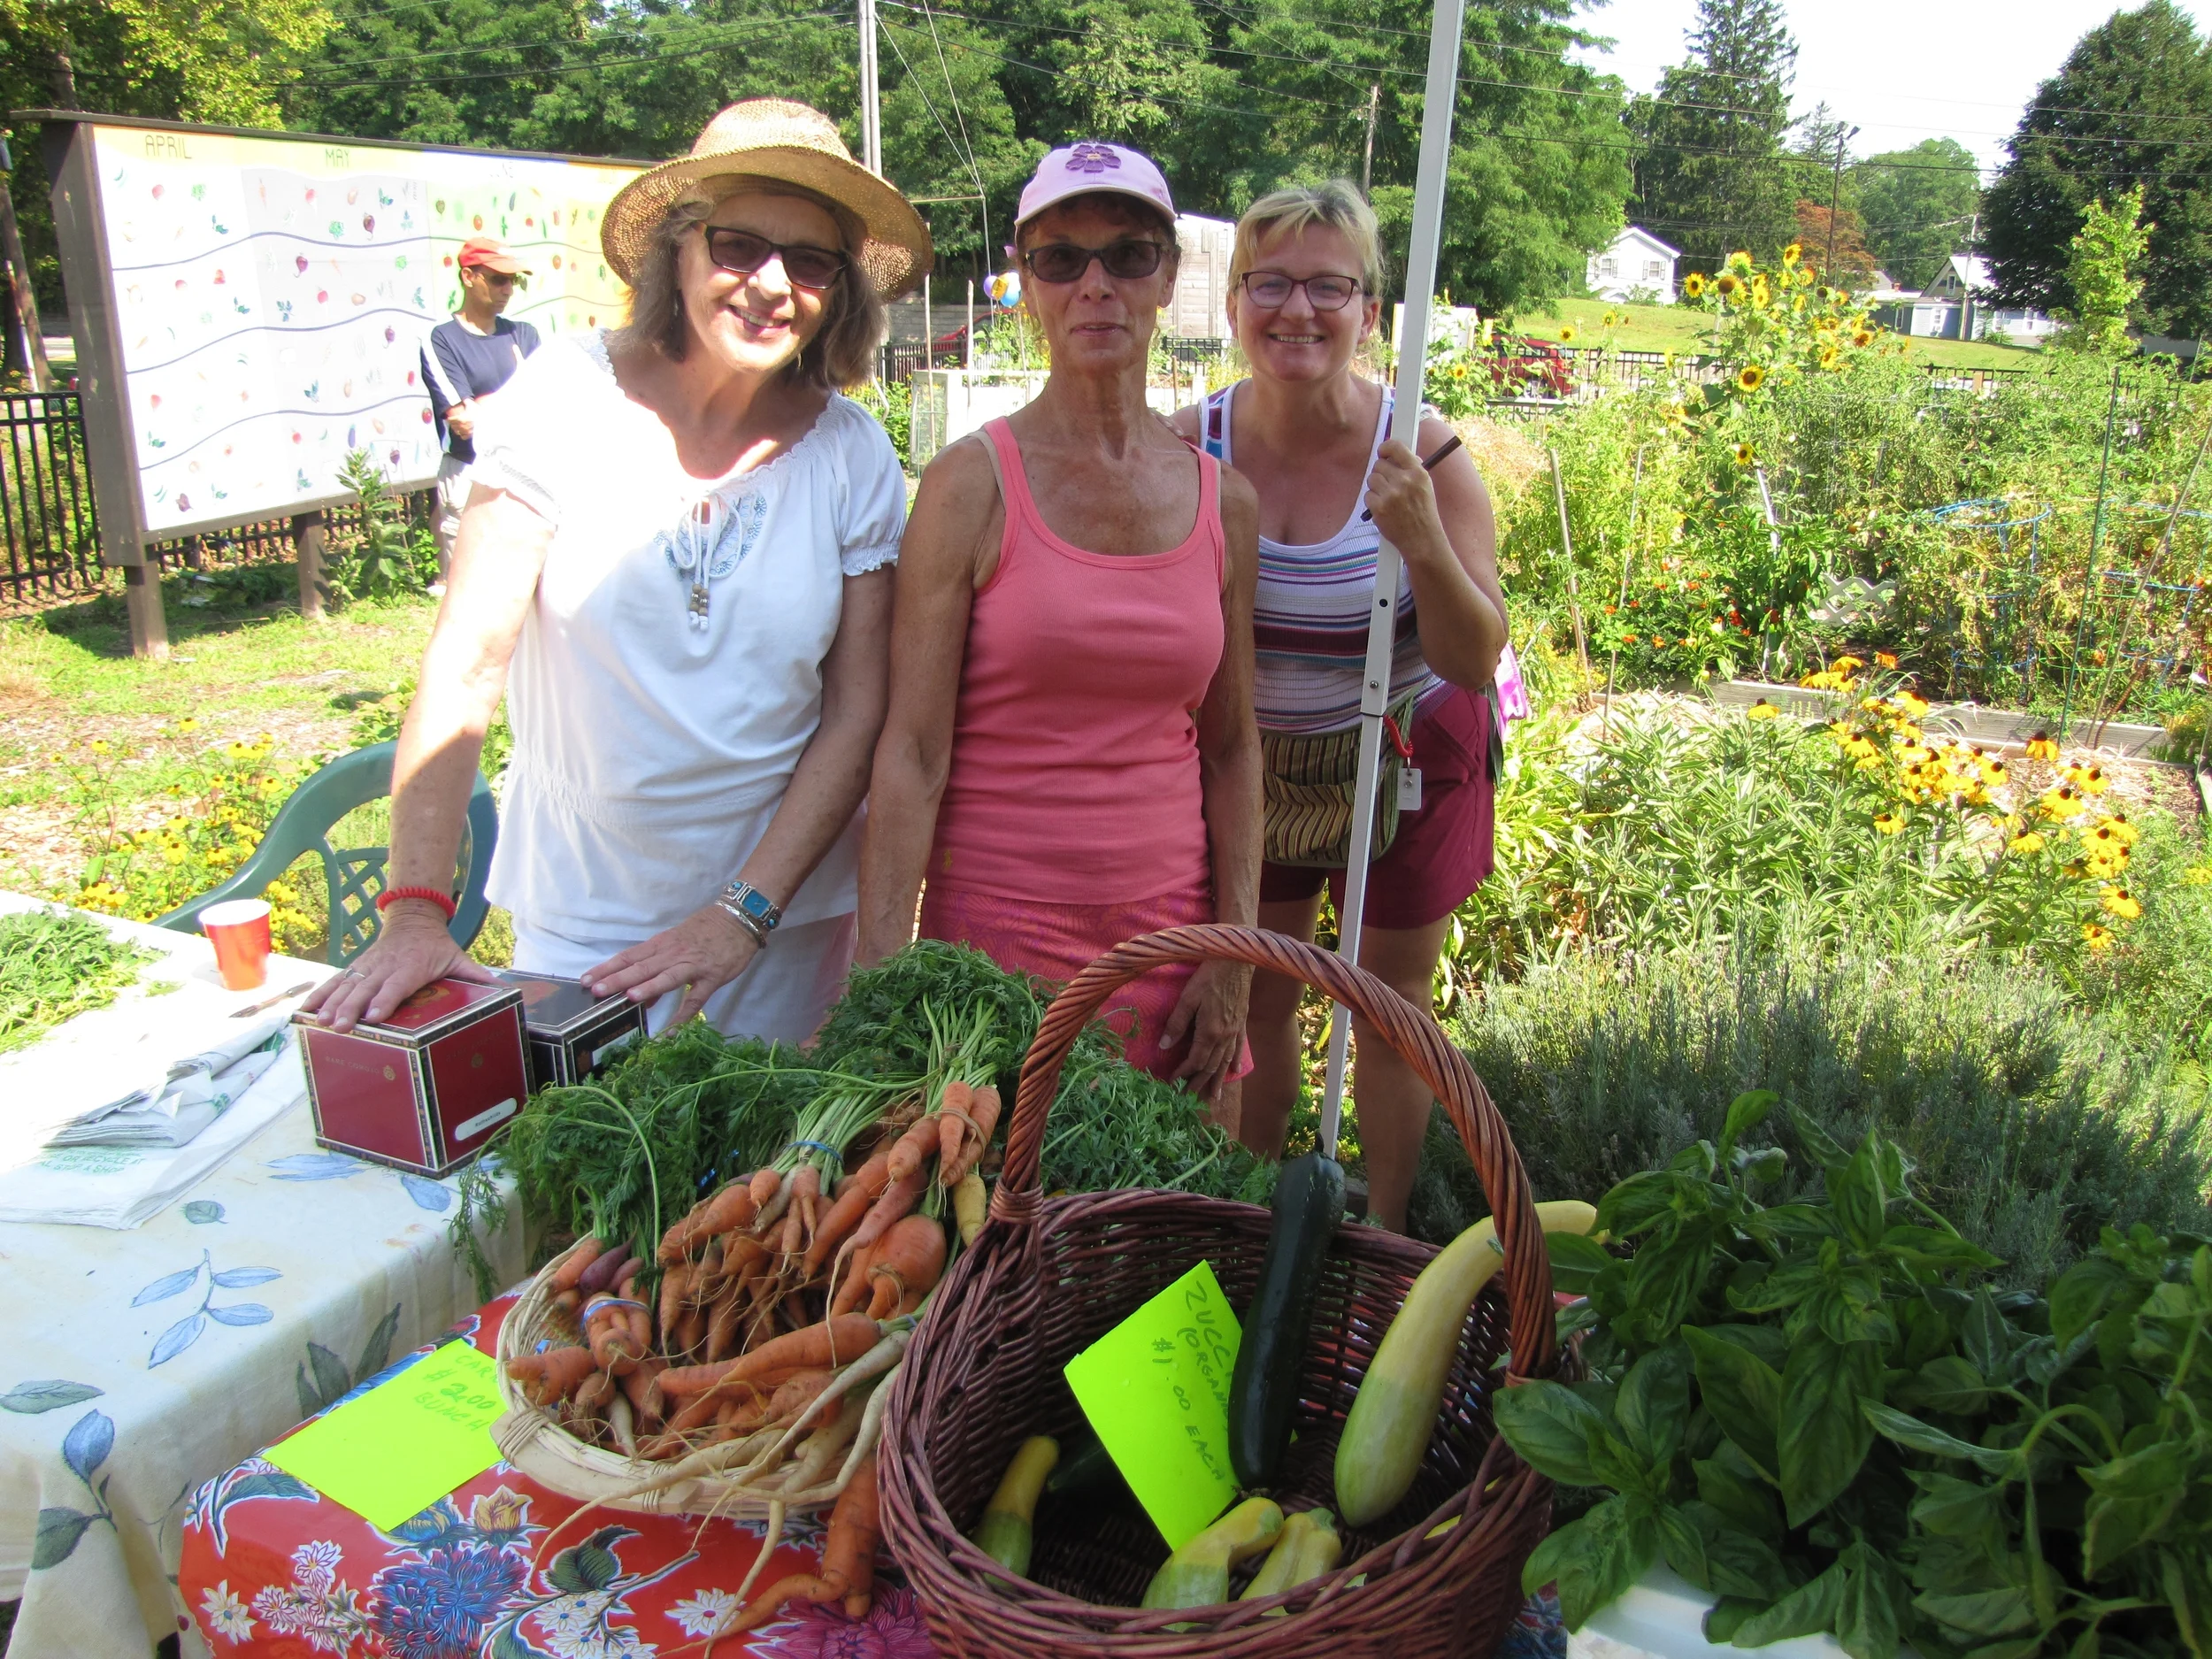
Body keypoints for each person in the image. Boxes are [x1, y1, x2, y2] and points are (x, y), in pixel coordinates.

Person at [306, 100, 931, 1043]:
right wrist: (415, 912)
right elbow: (468, 660)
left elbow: (855, 714)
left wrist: (741, 914)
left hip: (784, 924)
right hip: (586, 918)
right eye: (738, 245)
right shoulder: (561, 397)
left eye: (810, 260)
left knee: (773, 1184)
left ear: (840, 290)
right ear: (676, 250)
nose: (771, 284)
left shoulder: (851, 455)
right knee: (593, 1175)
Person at [859, 142, 1262, 1102]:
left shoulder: (1222, 502)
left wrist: (1236, 955)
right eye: (1060, 259)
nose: (1096, 285)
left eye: (1127, 256)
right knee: (1009, 1242)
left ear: (1168, 276)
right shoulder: (969, 485)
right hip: (997, 960)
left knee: (1185, 1244)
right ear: (1024, 280)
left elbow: (1236, 746)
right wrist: (881, 990)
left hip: (1176, 955)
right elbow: (910, 753)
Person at [1171, 181, 1508, 1230]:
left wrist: (1420, 542)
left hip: (1404, 741)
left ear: (1371, 312)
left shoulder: (1423, 453)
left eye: (1330, 286)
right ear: (1231, 305)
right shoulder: (1192, 446)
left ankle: (1391, 1234)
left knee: (1393, 1003)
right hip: (1257, 763)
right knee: (1261, 995)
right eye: (1269, 283)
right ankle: (1255, 1230)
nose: (1298, 311)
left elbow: (1471, 652)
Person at [422, 236, 541, 588]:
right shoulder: (442, 339)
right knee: (467, 588)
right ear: (468, 277)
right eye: (498, 279)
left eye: (514, 281)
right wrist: (520, 400)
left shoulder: (524, 334)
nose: (509, 289)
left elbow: (549, 406)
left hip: (526, 473)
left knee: (527, 589)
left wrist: (487, 405)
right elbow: (463, 421)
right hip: (468, 473)